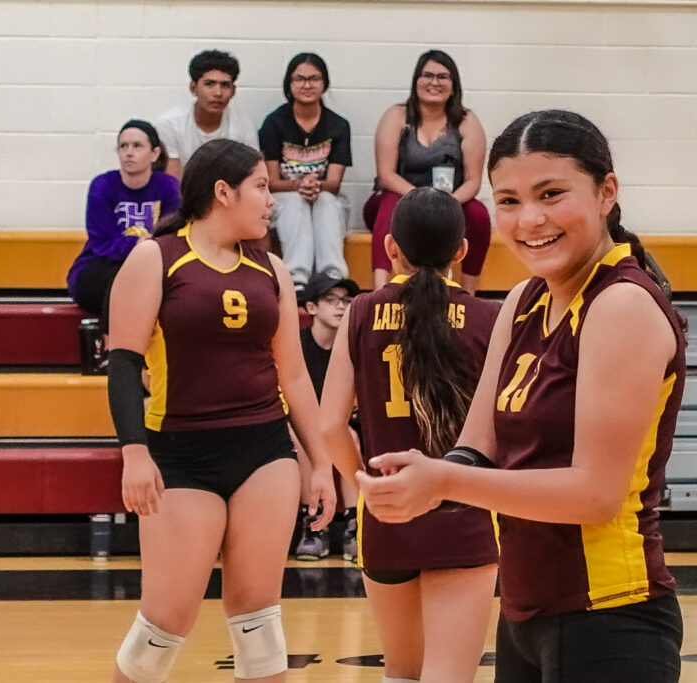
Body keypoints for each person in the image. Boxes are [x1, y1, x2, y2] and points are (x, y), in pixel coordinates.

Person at [356, 110, 687, 682]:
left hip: (612, 618)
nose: (529, 219)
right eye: (507, 200)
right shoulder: (523, 302)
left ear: (607, 190)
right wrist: (419, 478)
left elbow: (595, 494)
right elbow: (476, 448)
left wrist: (446, 483)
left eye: (551, 193)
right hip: (523, 614)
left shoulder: (621, 304)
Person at [107, 138, 336, 683]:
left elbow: (295, 375)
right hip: (181, 455)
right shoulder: (155, 257)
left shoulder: (271, 269)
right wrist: (135, 455)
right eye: (261, 186)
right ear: (223, 191)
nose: (271, 199)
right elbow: (121, 365)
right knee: (162, 628)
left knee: (259, 625)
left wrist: (320, 462)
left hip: (264, 450)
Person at [321, 187, 500, 681]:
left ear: (391, 248)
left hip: (385, 511)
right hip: (463, 511)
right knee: (449, 674)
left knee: (401, 672)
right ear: (461, 251)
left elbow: (329, 425)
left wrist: (365, 482)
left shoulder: (359, 312)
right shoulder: (491, 318)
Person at [365, 50, 490, 294]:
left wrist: (445, 205)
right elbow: (386, 174)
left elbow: (474, 180)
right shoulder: (397, 115)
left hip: (450, 201)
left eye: (443, 76)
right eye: (428, 75)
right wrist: (420, 202)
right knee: (390, 203)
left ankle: (468, 293)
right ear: (416, 81)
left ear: (454, 85)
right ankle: (379, 291)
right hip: (399, 198)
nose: (434, 82)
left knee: (479, 214)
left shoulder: (467, 121)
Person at [67, 120, 180, 319]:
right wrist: (142, 244)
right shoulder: (102, 185)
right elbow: (103, 243)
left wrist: (147, 250)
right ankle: (111, 343)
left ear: (154, 154)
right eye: (123, 146)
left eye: (137, 146)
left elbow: (174, 237)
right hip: (104, 265)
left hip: (154, 265)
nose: (129, 152)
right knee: (122, 279)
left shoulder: (170, 187)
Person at [259, 53, 352, 296]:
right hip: (286, 198)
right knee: (295, 202)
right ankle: (296, 280)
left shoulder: (338, 125)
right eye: (299, 79)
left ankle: (332, 277)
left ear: (324, 84)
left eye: (314, 79)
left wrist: (314, 186)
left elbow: (333, 183)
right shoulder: (274, 123)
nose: (307, 85)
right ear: (289, 84)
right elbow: (271, 182)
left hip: (323, 196)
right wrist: (300, 186)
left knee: (327, 202)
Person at [292, 271, 362, 562]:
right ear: (311, 308)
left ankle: (354, 525)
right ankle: (314, 527)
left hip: (342, 424)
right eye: (331, 300)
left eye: (346, 301)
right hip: (299, 424)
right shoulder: (296, 346)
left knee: (348, 436)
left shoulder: (352, 347)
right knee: (305, 440)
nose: (340, 306)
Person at [155, 49, 259, 179]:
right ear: (193, 88)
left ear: (233, 91)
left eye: (225, 85)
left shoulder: (244, 126)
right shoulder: (170, 124)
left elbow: (252, 177)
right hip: (185, 196)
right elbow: (173, 182)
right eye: (209, 84)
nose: (218, 93)